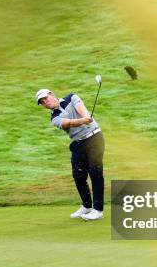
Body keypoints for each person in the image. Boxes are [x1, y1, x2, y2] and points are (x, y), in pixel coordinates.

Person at [35, 88, 105, 221]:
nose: (46, 102)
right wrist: (83, 121)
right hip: (78, 143)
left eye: (46, 98)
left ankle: (98, 210)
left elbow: (81, 108)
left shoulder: (71, 97)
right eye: (42, 102)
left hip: (94, 138)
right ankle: (87, 206)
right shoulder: (54, 118)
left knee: (95, 173)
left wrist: (85, 116)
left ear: (52, 94)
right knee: (78, 176)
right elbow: (68, 123)